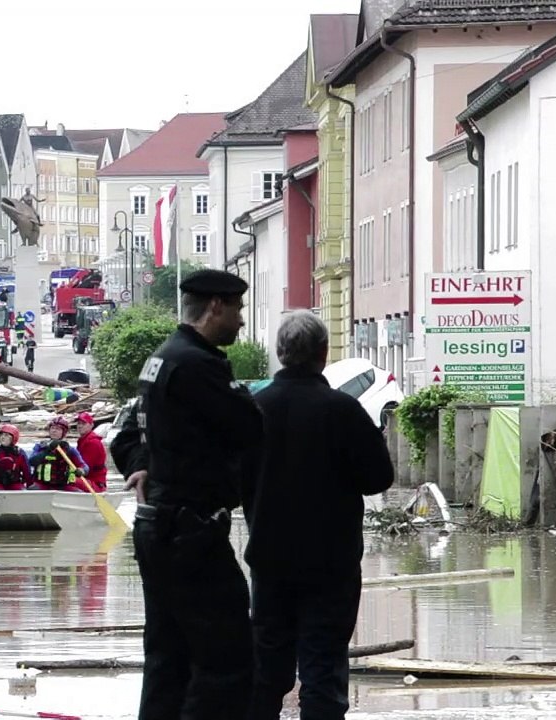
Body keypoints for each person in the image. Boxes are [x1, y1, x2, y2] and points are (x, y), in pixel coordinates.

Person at [123, 268, 264, 720]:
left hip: (160, 526)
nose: (241, 321)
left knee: (168, 658)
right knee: (228, 659)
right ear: (216, 307)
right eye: (238, 309)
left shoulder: (162, 358)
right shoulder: (198, 365)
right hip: (191, 531)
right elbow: (249, 429)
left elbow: (125, 434)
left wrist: (141, 464)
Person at [244, 311, 394, 720]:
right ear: (324, 354)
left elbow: (229, 478)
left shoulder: (254, 409)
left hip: (270, 558)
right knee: (323, 666)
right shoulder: (343, 411)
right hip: (332, 561)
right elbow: (379, 478)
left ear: (279, 353)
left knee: (266, 664)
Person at [27, 416, 88, 491]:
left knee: (79, 492)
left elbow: (84, 466)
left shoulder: (69, 449)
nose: (54, 431)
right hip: (42, 485)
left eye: (58, 429)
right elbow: (31, 462)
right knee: (32, 489)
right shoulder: (40, 447)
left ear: (63, 432)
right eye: (52, 428)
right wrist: (48, 450)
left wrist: (82, 470)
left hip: (63, 486)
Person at [73, 412, 108, 492]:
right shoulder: (82, 441)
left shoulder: (93, 443)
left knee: (67, 479)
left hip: (96, 485)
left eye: (83, 423)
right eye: (78, 423)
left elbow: (85, 467)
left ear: (91, 425)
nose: (80, 426)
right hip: (86, 481)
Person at [0, 424, 30, 490]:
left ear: (14, 438)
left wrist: (30, 487)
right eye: (1, 435)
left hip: (14, 483)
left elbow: (27, 472)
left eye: (6, 435)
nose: (3, 437)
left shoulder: (20, 453)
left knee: (21, 492)